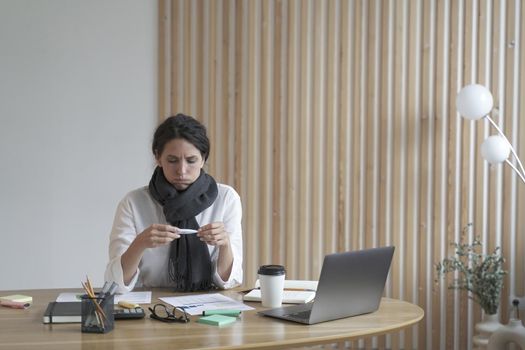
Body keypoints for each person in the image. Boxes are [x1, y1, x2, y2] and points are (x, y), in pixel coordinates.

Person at [104, 114, 243, 293]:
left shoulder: (226, 198)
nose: (182, 170)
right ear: (157, 157)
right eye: (172, 160)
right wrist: (139, 244)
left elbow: (230, 281)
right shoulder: (133, 202)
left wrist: (224, 245)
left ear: (203, 158)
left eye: (191, 160)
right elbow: (115, 283)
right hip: (151, 310)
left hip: (208, 308)